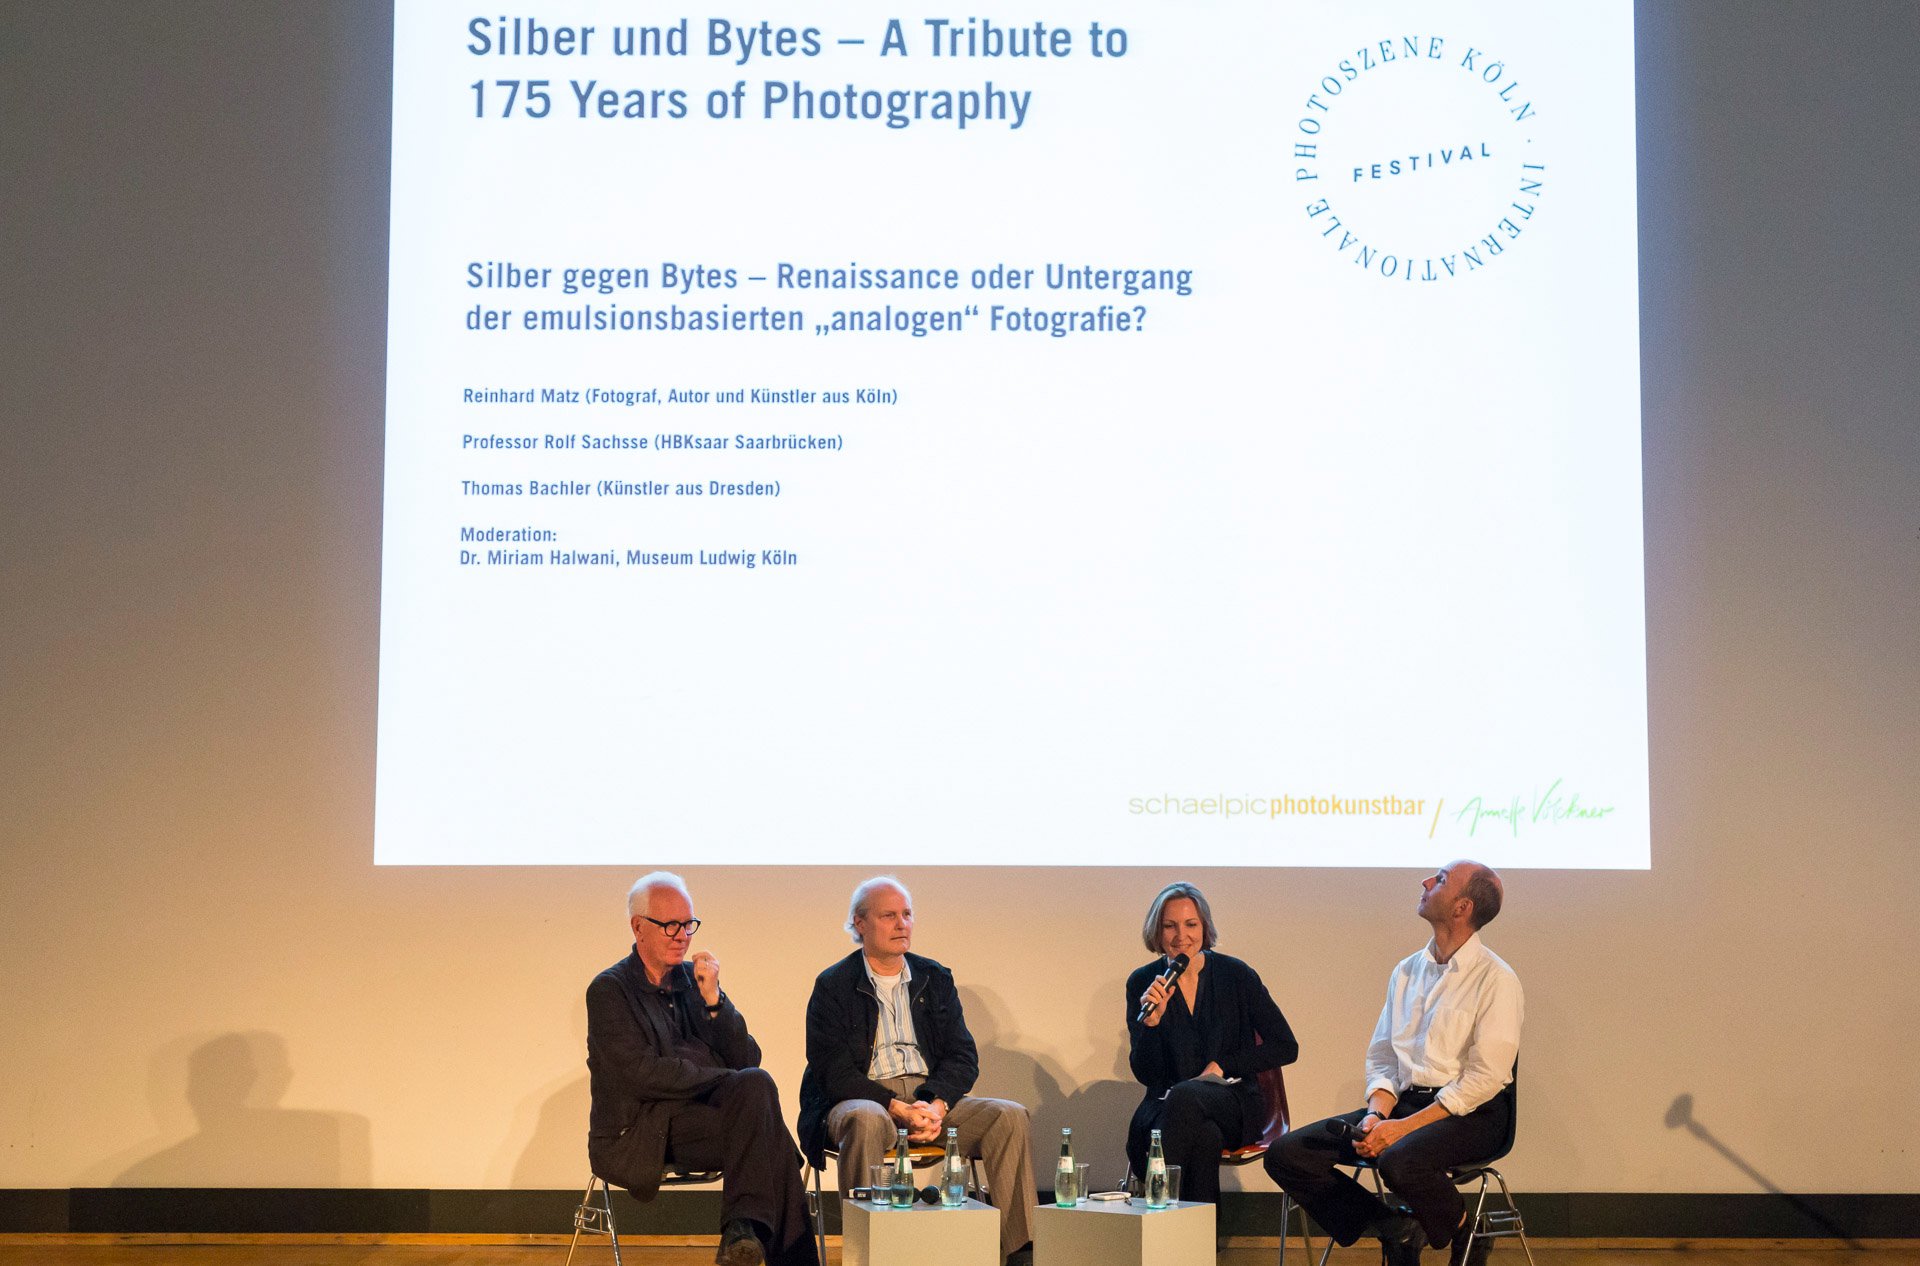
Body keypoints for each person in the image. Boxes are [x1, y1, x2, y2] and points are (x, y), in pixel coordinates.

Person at [1265, 861, 1523, 1266]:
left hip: (1474, 1114)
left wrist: (1400, 1129)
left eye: (1439, 880)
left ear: (1462, 907)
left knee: (1398, 1159)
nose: (1425, 882)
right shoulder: (1406, 970)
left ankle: (1464, 1230)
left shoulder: (1497, 979)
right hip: (1404, 1105)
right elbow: (1384, 1056)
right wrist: (1375, 1115)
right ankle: (1394, 1227)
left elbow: (1485, 1078)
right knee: (1287, 1153)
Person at [798, 877, 1038, 1266]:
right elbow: (834, 1071)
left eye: (907, 914)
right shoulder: (833, 985)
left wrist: (936, 1103)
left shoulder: (934, 977)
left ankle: (1020, 1252)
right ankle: (872, 1249)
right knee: (865, 1119)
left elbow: (962, 1055)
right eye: (889, 915)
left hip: (929, 1098)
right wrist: (898, 1108)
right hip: (864, 1098)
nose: (901, 924)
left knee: (1007, 1116)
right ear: (860, 923)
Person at [586, 872, 818, 1266]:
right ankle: (750, 1238)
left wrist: (714, 998)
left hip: (706, 1121)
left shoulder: (694, 983)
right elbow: (641, 1074)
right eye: (670, 925)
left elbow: (748, 1060)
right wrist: (723, 1079)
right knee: (769, 1134)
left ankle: (743, 1235)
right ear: (638, 927)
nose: (682, 936)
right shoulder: (610, 990)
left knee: (757, 1094)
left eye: (688, 924)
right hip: (645, 1132)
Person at [1125, 881, 1299, 1205]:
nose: (1181, 937)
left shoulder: (1236, 975)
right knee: (1205, 1137)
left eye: (1191, 925)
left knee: (1187, 1095)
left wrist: (1225, 1065)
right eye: (1170, 926)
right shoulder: (1143, 982)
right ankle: (1201, 1244)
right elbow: (1147, 1075)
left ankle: (1155, 1209)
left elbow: (1286, 1046)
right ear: (1157, 932)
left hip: (1232, 1102)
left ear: (1204, 928)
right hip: (1167, 1106)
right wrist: (1151, 1023)